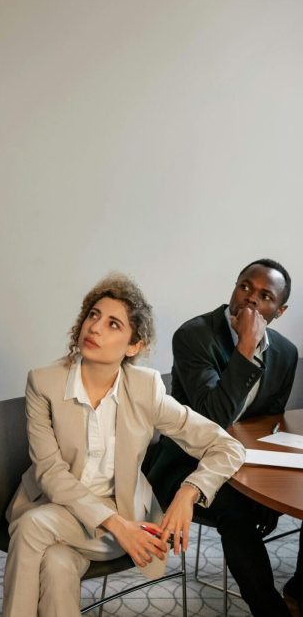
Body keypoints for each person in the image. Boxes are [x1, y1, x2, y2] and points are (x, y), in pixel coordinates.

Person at [2, 273, 244, 617]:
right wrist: (118, 525)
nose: (95, 327)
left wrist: (188, 493)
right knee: (52, 557)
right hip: (61, 508)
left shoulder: (146, 388)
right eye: (93, 315)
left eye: (113, 323)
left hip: (125, 518)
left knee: (35, 532)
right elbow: (51, 473)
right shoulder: (44, 383)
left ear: (134, 346)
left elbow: (227, 447)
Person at [148, 258, 300, 616]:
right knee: (237, 511)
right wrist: (246, 348)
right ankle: (269, 609)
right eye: (245, 286)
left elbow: (267, 425)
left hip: (245, 464)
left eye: (265, 296)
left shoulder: (287, 354)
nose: (250, 299)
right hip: (186, 465)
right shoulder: (194, 335)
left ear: (279, 310)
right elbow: (212, 419)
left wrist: (268, 493)